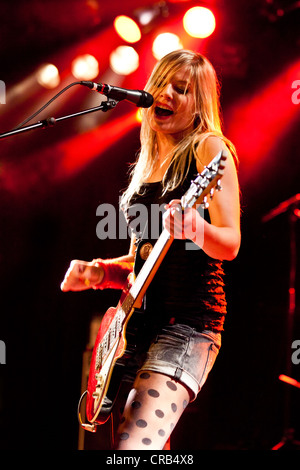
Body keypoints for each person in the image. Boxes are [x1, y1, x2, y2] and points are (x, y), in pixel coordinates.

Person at [60, 49, 241, 450]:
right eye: (162, 84)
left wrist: (196, 227)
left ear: (200, 106)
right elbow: (143, 262)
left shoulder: (209, 149)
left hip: (188, 327)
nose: (168, 95)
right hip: (137, 330)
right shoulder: (148, 166)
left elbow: (230, 243)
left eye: (182, 90)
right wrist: (99, 272)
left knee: (134, 449)